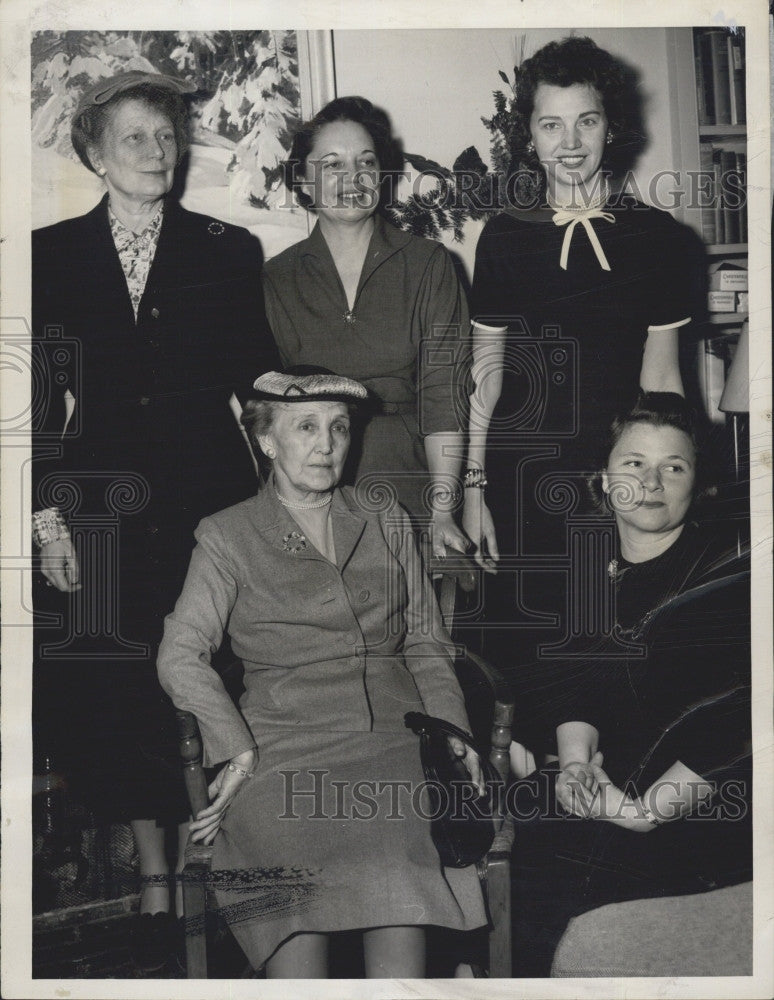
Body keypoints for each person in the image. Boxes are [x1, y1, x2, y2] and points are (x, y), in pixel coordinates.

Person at [31, 70, 277, 968]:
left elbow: (254, 385)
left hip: (205, 500)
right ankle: (152, 872)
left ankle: (219, 866)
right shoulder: (46, 256)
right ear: (94, 152)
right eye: (133, 138)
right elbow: (33, 407)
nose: (155, 153)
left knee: (211, 674)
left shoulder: (226, 248)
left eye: (166, 137)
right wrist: (48, 522)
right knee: (119, 685)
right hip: (95, 507)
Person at [157, 367, 488, 978]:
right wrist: (235, 750)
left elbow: (423, 638)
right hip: (278, 748)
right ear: (266, 441)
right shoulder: (227, 535)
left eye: (338, 427)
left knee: (398, 853)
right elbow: (180, 653)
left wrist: (453, 732)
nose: (326, 443)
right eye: (305, 427)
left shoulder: (387, 519)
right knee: (291, 870)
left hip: (390, 739)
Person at [506, 394, 751, 976]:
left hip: (701, 802)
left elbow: (735, 721)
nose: (652, 480)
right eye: (634, 462)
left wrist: (645, 811)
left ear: (697, 482)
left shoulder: (726, 574)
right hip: (612, 786)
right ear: (603, 476)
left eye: (675, 465)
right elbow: (574, 679)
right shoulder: (590, 560)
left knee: (575, 873)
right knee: (528, 847)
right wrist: (573, 764)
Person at [463, 35, 700, 578]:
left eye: (586, 122)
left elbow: (662, 378)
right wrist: (473, 489)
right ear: (529, 134)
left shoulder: (656, 237)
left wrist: (666, 484)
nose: (570, 142)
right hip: (519, 475)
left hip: (616, 475)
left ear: (609, 126)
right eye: (551, 125)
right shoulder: (504, 237)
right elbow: (486, 378)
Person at [263, 96, 471, 558]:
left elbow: (444, 395)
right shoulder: (275, 277)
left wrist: (443, 511)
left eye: (365, 162)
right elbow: (267, 411)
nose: (352, 179)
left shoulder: (428, 264)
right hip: (312, 489)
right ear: (303, 179)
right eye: (332, 164)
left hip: (412, 484)